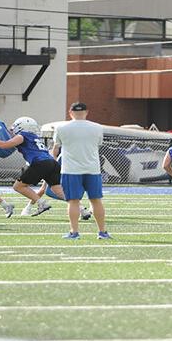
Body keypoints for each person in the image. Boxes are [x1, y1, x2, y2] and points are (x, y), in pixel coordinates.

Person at [53, 102, 110, 240]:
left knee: (73, 201)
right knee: (96, 200)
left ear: (70, 113)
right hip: (92, 169)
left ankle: (74, 232)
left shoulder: (61, 128)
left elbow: (56, 146)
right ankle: (102, 232)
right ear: (86, 112)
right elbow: (98, 143)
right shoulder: (97, 128)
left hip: (70, 170)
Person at [0, 116, 62, 217]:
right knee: (57, 190)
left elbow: (4, 145)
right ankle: (81, 209)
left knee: (18, 186)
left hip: (40, 162)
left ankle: (42, 203)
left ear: (20, 126)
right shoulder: (34, 137)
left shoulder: (22, 135)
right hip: (53, 162)